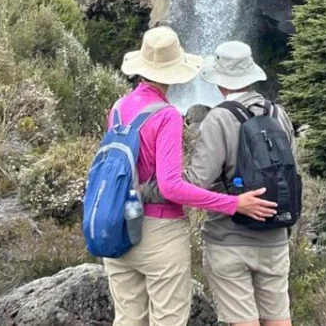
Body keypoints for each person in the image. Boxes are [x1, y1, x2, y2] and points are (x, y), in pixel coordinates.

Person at [105, 27, 277, 326]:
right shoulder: (167, 115)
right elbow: (172, 186)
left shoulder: (119, 108)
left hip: (117, 226)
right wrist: (232, 204)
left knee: (128, 320)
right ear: (174, 70)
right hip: (158, 233)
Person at [146, 41, 297, 326]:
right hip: (275, 238)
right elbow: (291, 174)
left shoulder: (218, 119)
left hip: (229, 241)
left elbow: (196, 181)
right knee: (279, 320)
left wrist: (148, 189)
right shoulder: (279, 115)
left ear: (219, 82)